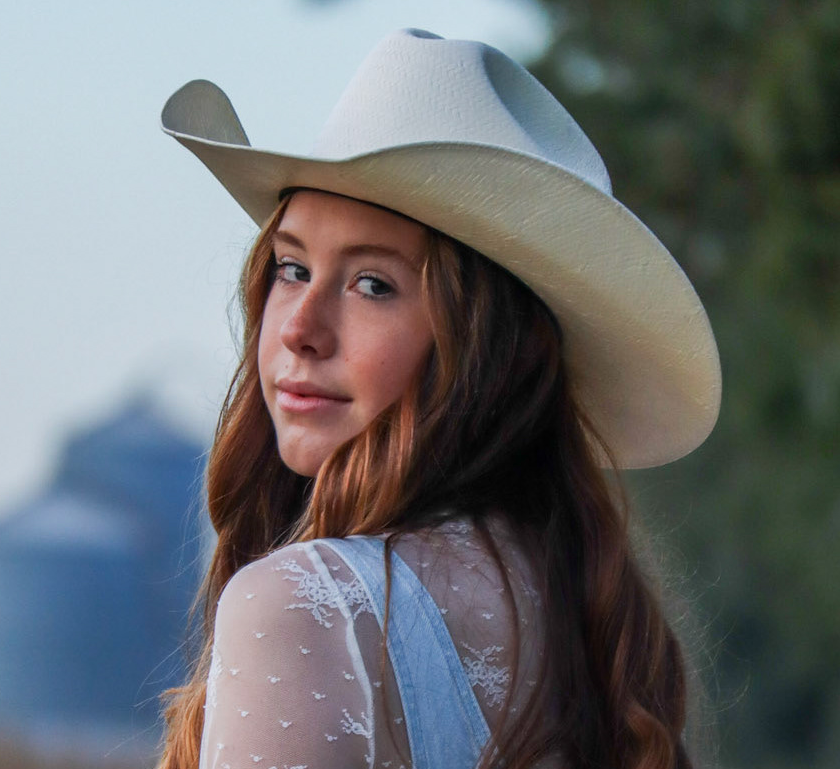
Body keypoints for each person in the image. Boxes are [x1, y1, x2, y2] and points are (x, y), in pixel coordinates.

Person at [155, 29, 721, 769]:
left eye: (373, 284)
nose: (298, 329)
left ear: (485, 348)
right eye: (291, 268)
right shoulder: (588, 623)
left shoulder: (306, 606)